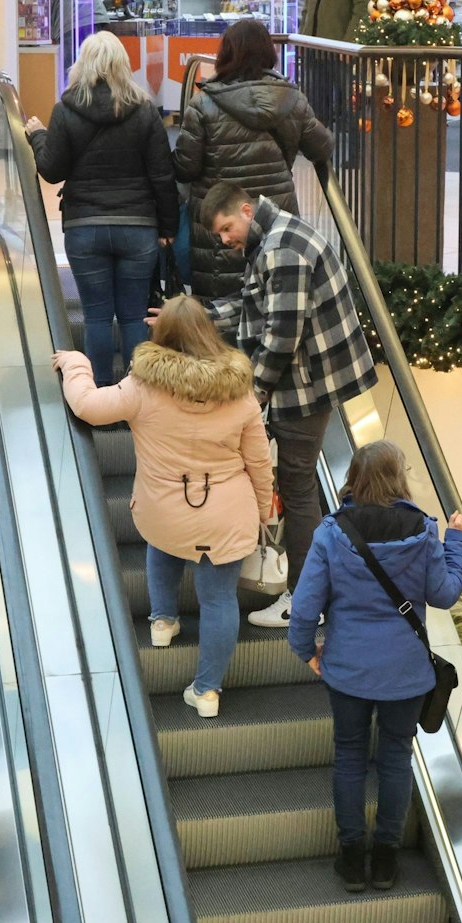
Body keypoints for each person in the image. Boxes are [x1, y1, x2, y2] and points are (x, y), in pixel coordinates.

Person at [53, 296, 273, 717]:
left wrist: (76, 363)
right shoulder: (241, 392)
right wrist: (264, 511)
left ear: (162, 334)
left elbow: (88, 407)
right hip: (226, 514)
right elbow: (259, 462)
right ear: (208, 331)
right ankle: (207, 692)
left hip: (163, 507)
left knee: (162, 540)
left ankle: (162, 622)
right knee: (219, 600)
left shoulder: (143, 386)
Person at [287, 441, 462, 892]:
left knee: (350, 757)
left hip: (347, 668)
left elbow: (305, 606)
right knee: (395, 758)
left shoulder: (332, 532)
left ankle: (352, 860)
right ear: (398, 477)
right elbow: (445, 593)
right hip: (405, 673)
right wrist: (457, 542)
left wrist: (306, 651)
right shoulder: (424, 531)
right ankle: (386, 859)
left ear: (353, 477)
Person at [195, 182, 377, 629]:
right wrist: (199, 315)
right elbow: (256, 306)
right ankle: (310, 591)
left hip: (306, 387)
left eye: (226, 228)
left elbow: (281, 336)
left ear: (245, 210)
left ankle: (304, 599)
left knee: (298, 490)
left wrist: (254, 392)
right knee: (297, 488)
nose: (224, 240)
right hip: (304, 382)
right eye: (219, 235)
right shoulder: (273, 239)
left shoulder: (282, 248)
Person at [25, 31, 179, 385]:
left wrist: (38, 135)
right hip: (137, 228)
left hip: (85, 227)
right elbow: (162, 175)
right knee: (133, 317)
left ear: (82, 64)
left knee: (96, 317)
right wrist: (168, 227)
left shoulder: (65, 110)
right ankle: (137, 392)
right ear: (123, 65)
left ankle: (98, 396)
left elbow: (52, 170)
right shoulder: (144, 111)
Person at [173, 20, 333, 300]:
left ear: (225, 53)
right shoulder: (292, 100)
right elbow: (323, 147)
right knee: (276, 299)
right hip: (275, 223)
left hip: (220, 230)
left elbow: (186, 168)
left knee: (218, 312)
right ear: (268, 52)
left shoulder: (203, 104)